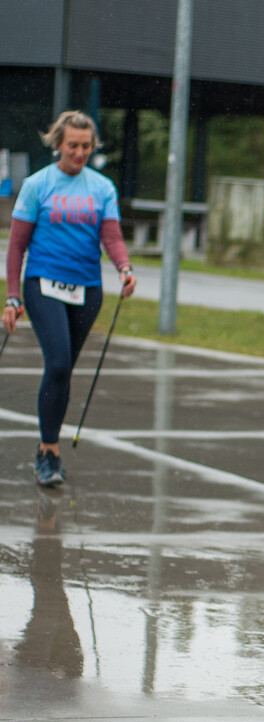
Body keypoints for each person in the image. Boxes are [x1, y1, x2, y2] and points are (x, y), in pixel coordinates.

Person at [3, 110, 137, 487]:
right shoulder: (37, 185)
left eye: (86, 146)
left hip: (87, 288)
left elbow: (111, 236)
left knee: (63, 371)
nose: (79, 152)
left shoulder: (102, 188)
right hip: (43, 284)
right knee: (58, 363)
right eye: (72, 146)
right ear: (58, 145)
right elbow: (16, 247)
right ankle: (49, 453)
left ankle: (48, 448)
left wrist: (124, 269)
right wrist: (13, 297)